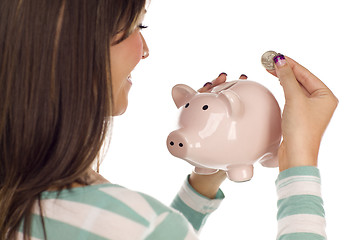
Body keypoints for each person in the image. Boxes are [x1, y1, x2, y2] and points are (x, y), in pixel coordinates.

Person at [0, 1, 338, 239]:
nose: (144, 49)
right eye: (137, 25)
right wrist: (299, 163)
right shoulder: (135, 225)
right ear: (73, 44)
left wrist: (205, 177)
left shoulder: (20, 196)